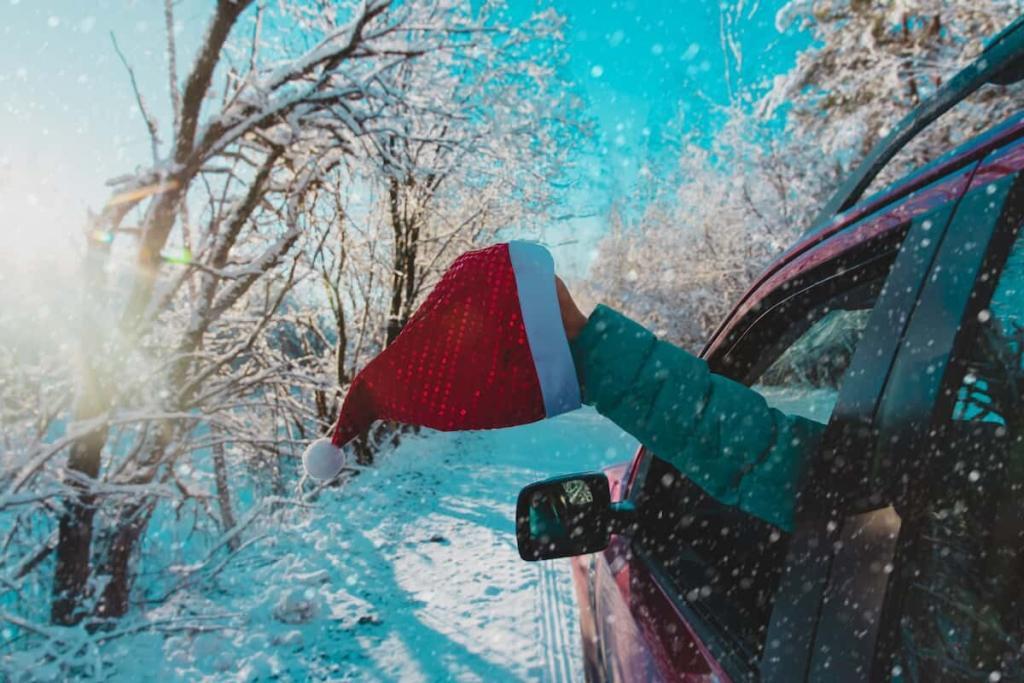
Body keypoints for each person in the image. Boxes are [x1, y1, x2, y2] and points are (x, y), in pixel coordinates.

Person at [553, 277, 824, 532]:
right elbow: (785, 461)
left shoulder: (835, 477)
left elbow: (778, 462)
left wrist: (592, 349)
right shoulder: (847, 473)